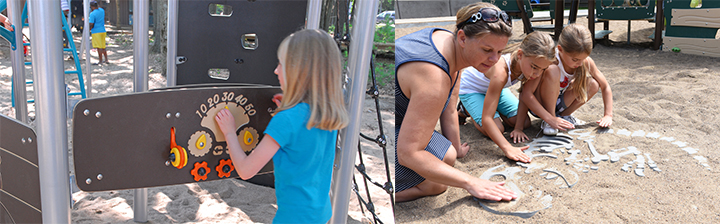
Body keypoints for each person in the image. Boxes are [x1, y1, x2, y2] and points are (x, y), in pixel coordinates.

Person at [215, 29, 348, 223]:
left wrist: (229, 131)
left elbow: (245, 170)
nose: (276, 70)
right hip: (321, 214)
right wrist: (290, 107)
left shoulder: (287, 120)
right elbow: (303, 143)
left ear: (299, 73)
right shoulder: (328, 112)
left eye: (281, 64)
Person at [395, 2, 518, 203]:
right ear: (462, 37)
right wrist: (471, 181)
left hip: (401, 121)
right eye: (487, 49)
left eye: (499, 51)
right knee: (437, 180)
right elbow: (408, 154)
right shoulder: (434, 77)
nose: (494, 59)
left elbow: (450, 104)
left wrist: (457, 147)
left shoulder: (448, 43)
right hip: (389, 131)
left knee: (450, 153)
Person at [458, 31, 559, 163]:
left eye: (542, 69)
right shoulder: (501, 72)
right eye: (535, 67)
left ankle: (490, 106)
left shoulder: (530, 66)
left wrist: (518, 128)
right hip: (472, 89)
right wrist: (507, 148)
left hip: (497, 89)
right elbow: (487, 118)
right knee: (497, 129)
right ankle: (464, 110)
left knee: (524, 122)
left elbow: (524, 96)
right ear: (520, 55)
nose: (537, 73)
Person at [514, 23, 613, 138]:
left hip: (559, 102)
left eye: (583, 59)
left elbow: (605, 86)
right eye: (575, 59)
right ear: (560, 49)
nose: (580, 63)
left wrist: (608, 115)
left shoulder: (584, 62)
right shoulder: (549, 60)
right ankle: (550, 121)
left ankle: (563, 117)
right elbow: (526, 94)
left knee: (593, 84)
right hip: (539, 105)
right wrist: (518, 128)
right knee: (553, 70)